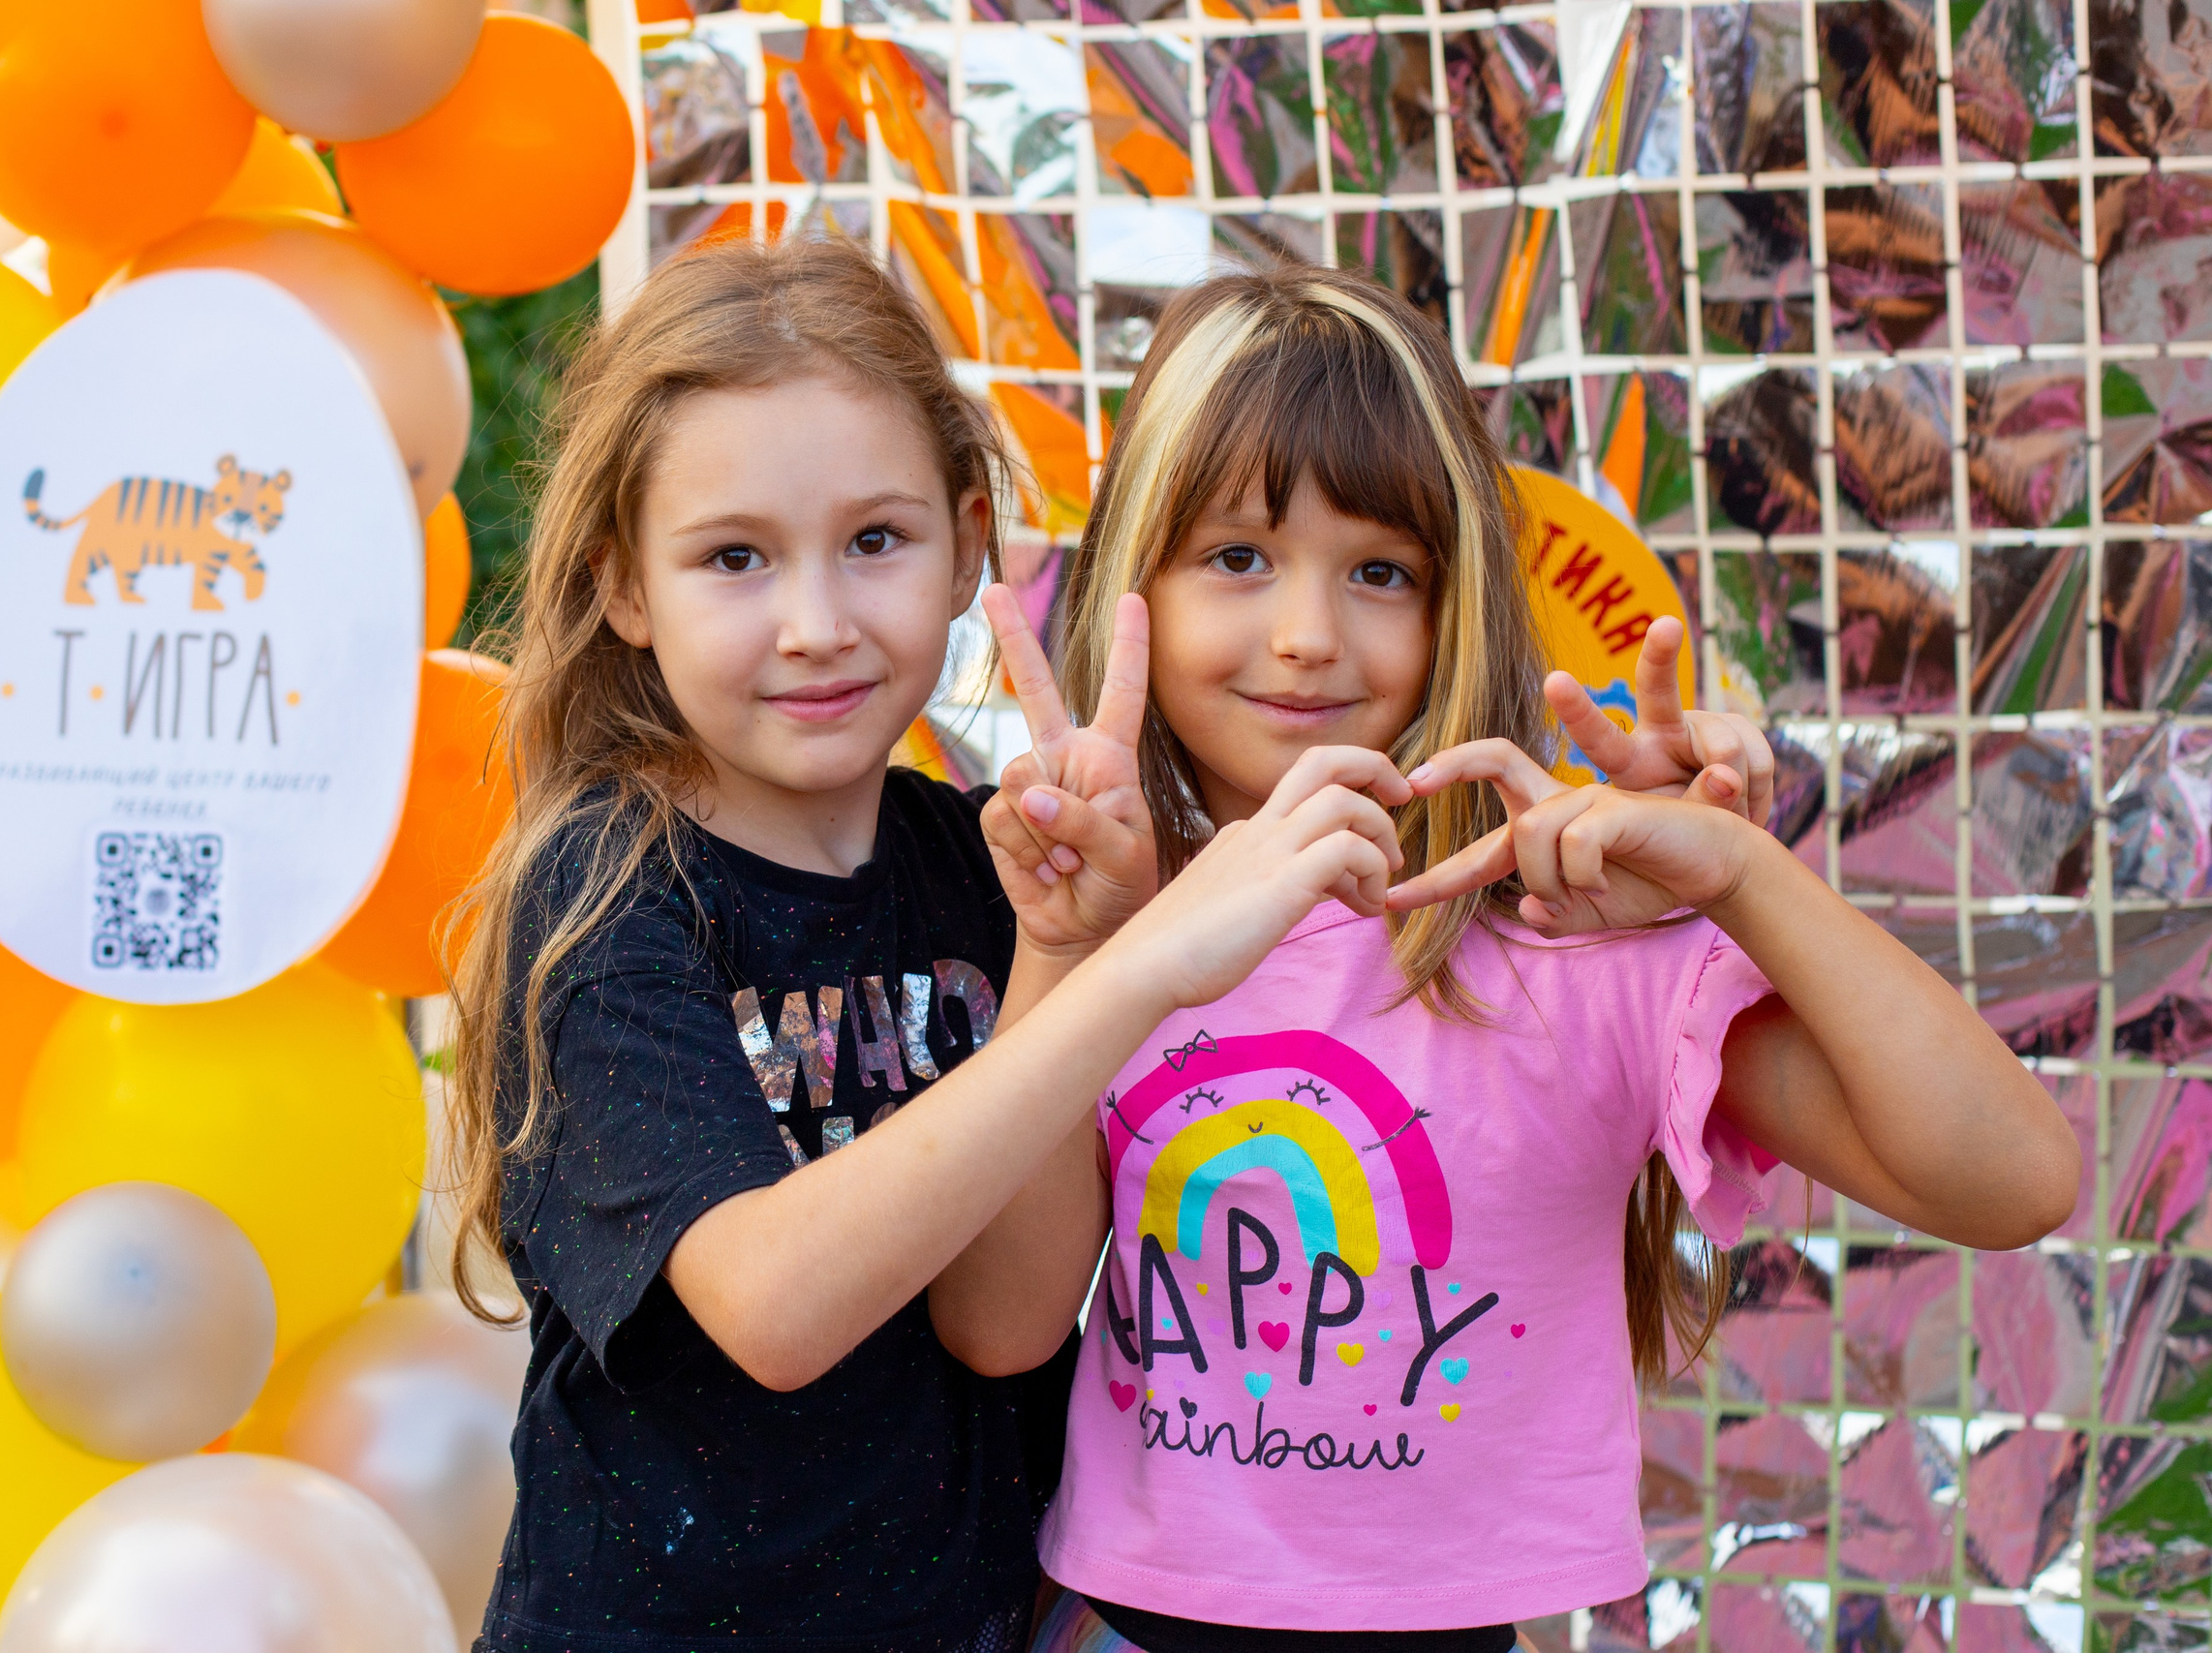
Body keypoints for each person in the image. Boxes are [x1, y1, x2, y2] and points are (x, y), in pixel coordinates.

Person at [941, 265, 2081, 1652]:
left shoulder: (1581, 943)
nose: (1307, 635)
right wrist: (1074, 953)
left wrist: (1744, 880)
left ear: (1456, 599)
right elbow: (1001, 1328)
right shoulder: (1115, 921)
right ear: (1138, 586)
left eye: (1379, 572)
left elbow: (2015, 1181)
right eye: (1238, 557)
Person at [438, 238, 1439, 1653]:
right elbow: (776, 1307)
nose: (817, 623)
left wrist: (1059, 946)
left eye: (876, 541)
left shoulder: (986, 861)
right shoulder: (604, 893)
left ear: (970, 546)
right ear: (623, 588)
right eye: (734, 558)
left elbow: (1007, 1324)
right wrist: (1129, 970)